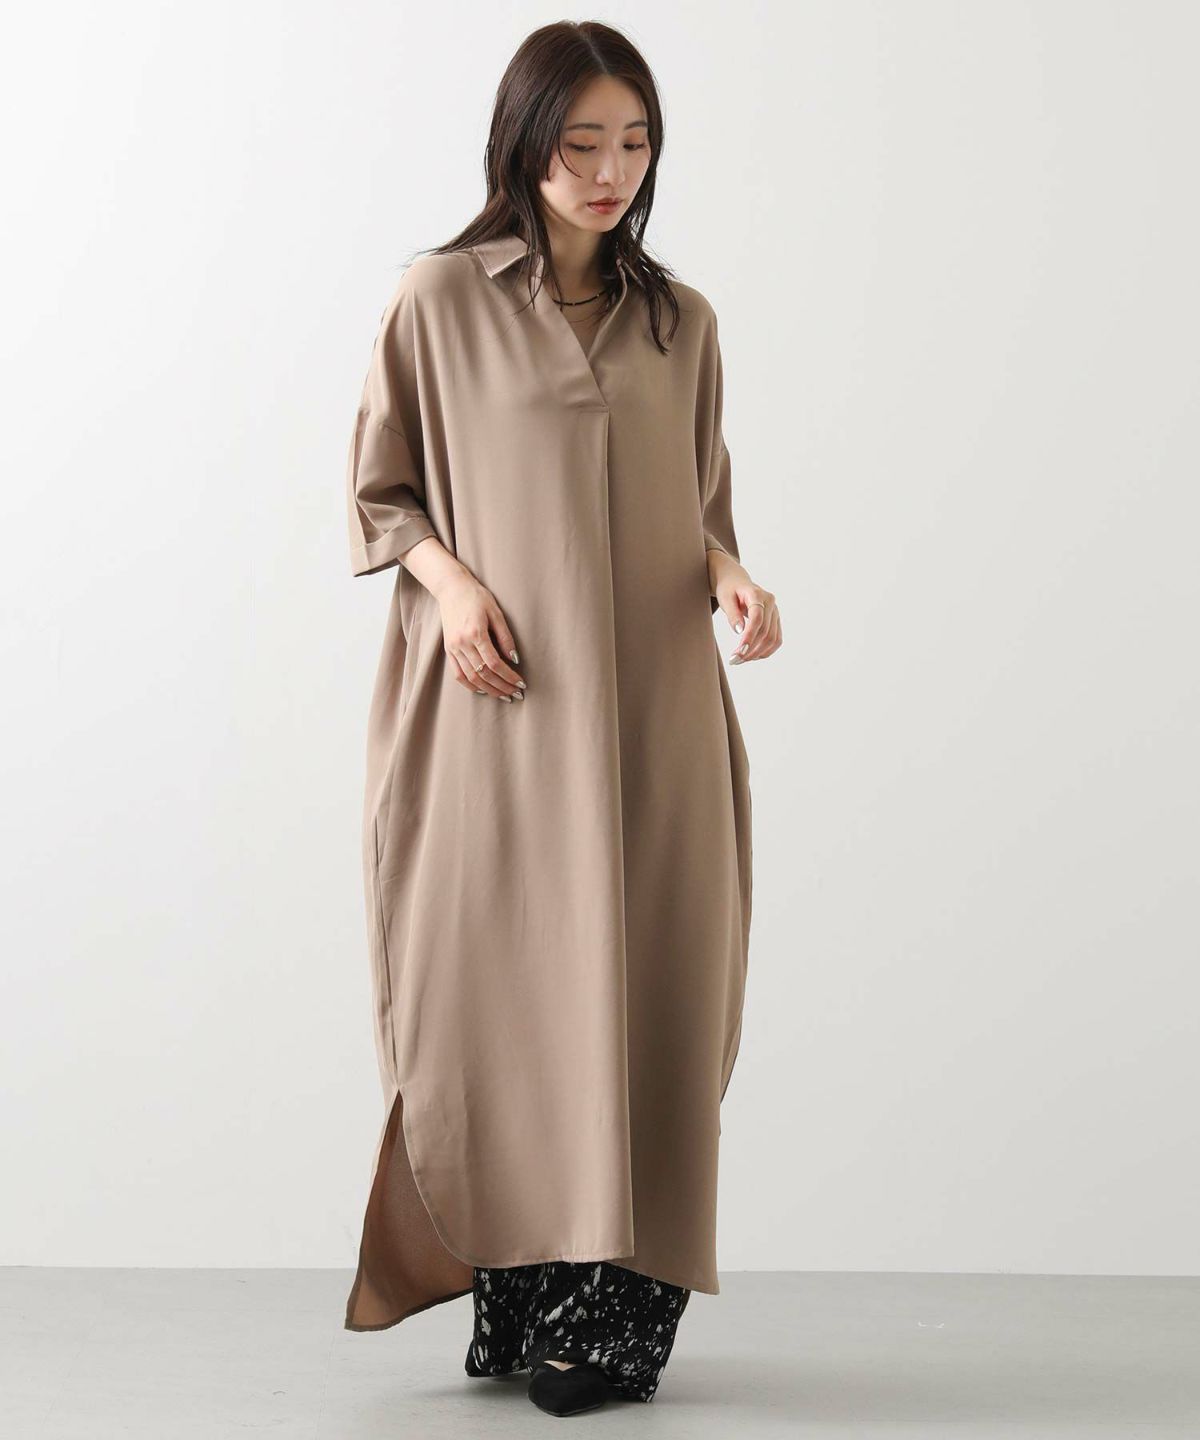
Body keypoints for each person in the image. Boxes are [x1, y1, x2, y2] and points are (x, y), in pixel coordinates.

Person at [342, 20, 782, 1418]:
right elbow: (380, 494)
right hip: (499, 710)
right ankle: (522, 1272)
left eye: (633, 143)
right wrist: (454, 584)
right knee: (498, 983)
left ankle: (626, 1310)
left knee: (655, 983)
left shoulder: (680, 322)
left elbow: (699, 507)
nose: (609, 170)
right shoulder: (439, 299)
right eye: (582, 141)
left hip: (655, 711)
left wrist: (732, 575)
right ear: (524, 143)